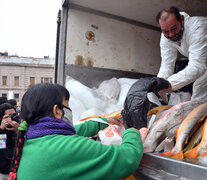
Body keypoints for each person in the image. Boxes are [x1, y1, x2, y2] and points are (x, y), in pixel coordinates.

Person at [9, 83, 147, 180]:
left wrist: (101, 123)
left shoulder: (32, 139)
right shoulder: (64, 148)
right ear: (57, 110)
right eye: (67, 107)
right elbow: (126, 158)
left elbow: (72, 131)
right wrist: (132, 131)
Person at [156, 6, 207, 100]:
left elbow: (198, 65)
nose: (171, 34)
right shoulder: (165, 37)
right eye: (166, 31)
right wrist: (160, 81)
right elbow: (167, 64)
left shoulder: (197, 27)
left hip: (202, 63)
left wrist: (169, 84)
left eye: (174, 28)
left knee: (201, 92)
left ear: (182, 19)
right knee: (199, 95)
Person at [0, 103, 20, 180]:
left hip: (16, 170)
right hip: (2, 171)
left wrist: (19, 132)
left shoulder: (19, 128)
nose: (12, 118)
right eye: (9, 116)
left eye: (14, 115)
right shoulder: (1, 129)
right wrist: (1, 129)